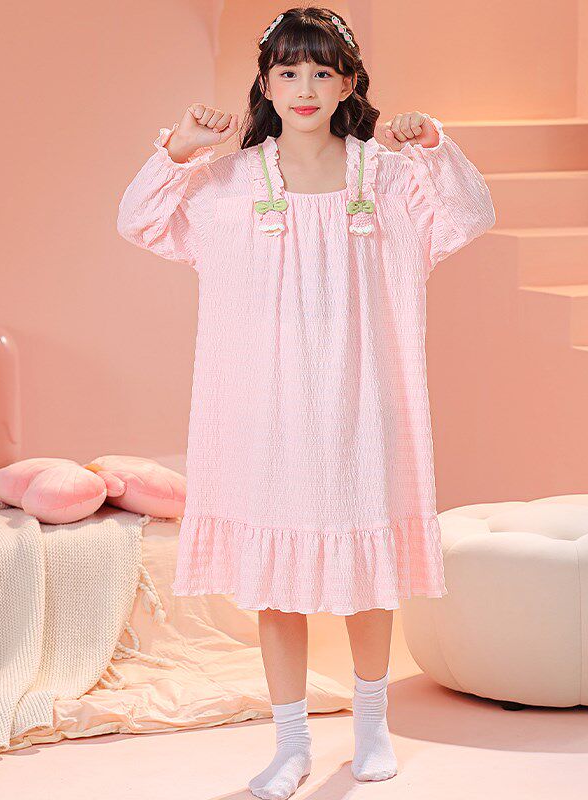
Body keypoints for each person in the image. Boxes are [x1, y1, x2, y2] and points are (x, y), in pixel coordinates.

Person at [116, 6, 496, 798]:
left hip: (364, 405)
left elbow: (469, 216)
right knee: (276, 584)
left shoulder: (388, 180)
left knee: (368, 574)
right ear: (265, 83)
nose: (305, 87)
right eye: (288, 71)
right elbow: (140, 221)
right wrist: (181, 147)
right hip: (265, 411)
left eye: (323, 71)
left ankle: (372, 726)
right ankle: (289, 745)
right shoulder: (227, 182)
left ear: (349, 84)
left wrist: (433, 147)